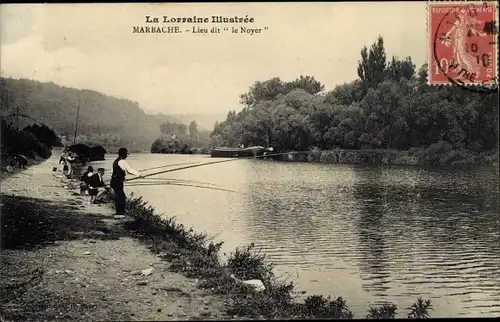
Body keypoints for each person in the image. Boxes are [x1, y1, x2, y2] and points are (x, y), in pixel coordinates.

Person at [110, 148, 142, 216]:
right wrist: (139, 174)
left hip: (114, 182)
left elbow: (115, 172)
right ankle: (119, 213)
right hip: (118, 182)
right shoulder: (122, 161)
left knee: (119, 196)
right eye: (126, 154)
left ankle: (120, 212)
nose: (127, 156)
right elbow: (129, 170)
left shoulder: (116, 161)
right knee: (121, 197)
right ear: (123, 155)